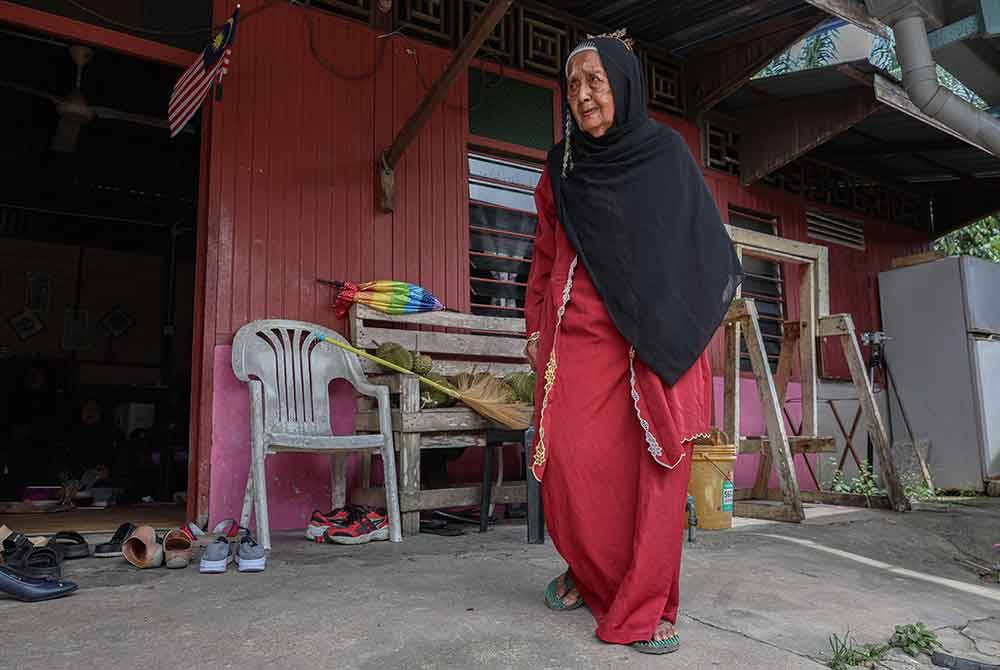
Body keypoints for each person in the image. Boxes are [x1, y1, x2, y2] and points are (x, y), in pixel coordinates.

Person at [524, 31, 742, 655]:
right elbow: (542, 255)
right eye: (573, 86)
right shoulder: (560, 166)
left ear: (621, 84)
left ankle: (648, 604)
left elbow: (701, 250)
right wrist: (535, 327)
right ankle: (595, 575)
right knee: (567, 463)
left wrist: (685, 330)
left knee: (654, 469)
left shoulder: (664, 154)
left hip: (654, 340)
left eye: (595, 81)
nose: (584, 96)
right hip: (580, 337)